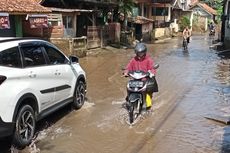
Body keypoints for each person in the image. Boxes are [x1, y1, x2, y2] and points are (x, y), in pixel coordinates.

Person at [124, 43, 157, 110]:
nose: (140, 55)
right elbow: (128, 67)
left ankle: (149, 107)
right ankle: (128, 99)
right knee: (129, 87)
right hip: (135, 79)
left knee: (148, 93)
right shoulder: (133, 60)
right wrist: (126, 72)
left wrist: (152, 73)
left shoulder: (148, 60)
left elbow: (152, 68)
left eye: (141, 53)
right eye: (138, 53)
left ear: (144, 52)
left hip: (145, 80)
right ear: (136, 52)